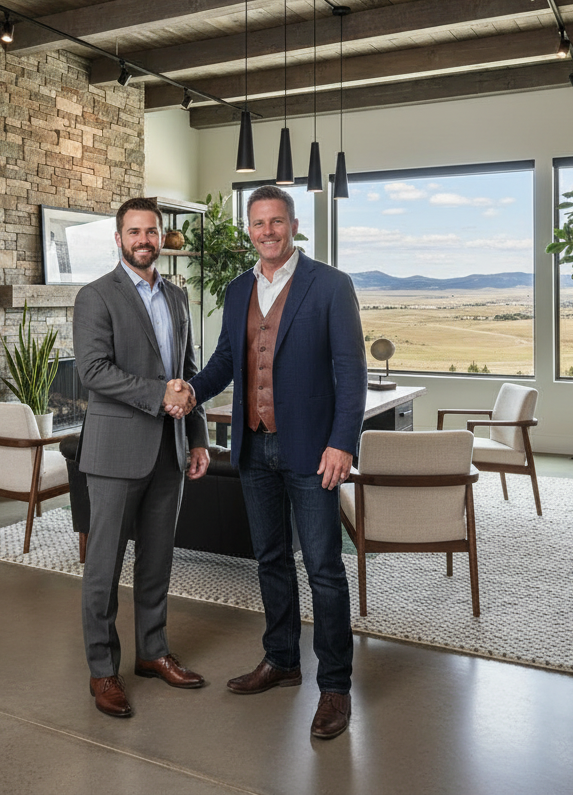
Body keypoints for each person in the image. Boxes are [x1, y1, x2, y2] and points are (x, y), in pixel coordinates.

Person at [168, 184, 366, 740]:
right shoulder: (238, 290)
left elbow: (351, 373)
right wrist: (189, 389)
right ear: (249, 230)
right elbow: (226, 361)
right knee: (271, 559)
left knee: (324, 568)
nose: (267, 232)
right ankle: (280, 660)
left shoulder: (329, 286)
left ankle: (335, 686)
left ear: (294, 225)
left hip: (312, 451)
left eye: (276, 222)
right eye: (258, 224)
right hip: (255, 449)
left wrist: (342, 442)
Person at [73, 197, 210, 719]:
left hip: (169, 452)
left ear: (161, 236)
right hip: (113, 453)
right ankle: (103, 671)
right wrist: (159, 394)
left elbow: (189, 373)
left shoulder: (177, 297)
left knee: (157, 560)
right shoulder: (95, 297)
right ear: (119, 238)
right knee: (103, 567)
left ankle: (152, 652)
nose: (144, 239)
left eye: (151, 231)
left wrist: (196, 438)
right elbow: (93, 370)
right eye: (134, 232)